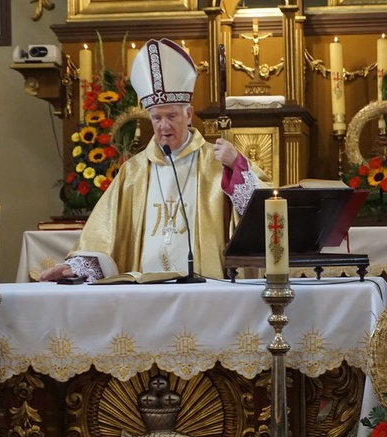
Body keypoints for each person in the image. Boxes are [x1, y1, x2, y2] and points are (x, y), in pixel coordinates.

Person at [40, 38, 269, 283]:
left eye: (171, 116)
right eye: (156, 118)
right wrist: (78, 267)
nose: (164, 125)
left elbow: (267, 214)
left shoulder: (217, 161)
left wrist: (237, 166)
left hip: (206, 287)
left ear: (189, 115)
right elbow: (104, 230)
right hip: (144, 291)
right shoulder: (134, 170)